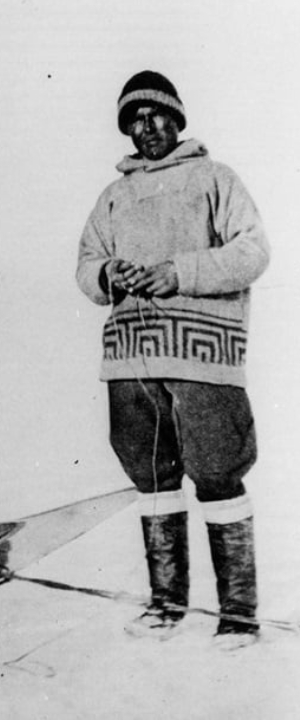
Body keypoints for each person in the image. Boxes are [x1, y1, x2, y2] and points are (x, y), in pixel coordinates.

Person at [76, 71, 269, 649]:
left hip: (201, 357)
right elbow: (87, 264)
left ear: (177, 118)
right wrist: (109, 273)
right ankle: (166, 605)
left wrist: (179, 272)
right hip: (131, 358)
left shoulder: (215, 178)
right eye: (134, 119)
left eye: (156, 114)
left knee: (217, 472)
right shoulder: (113, 196)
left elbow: (252, 251)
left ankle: (238, 615)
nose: (147, 127)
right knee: (152, 477)